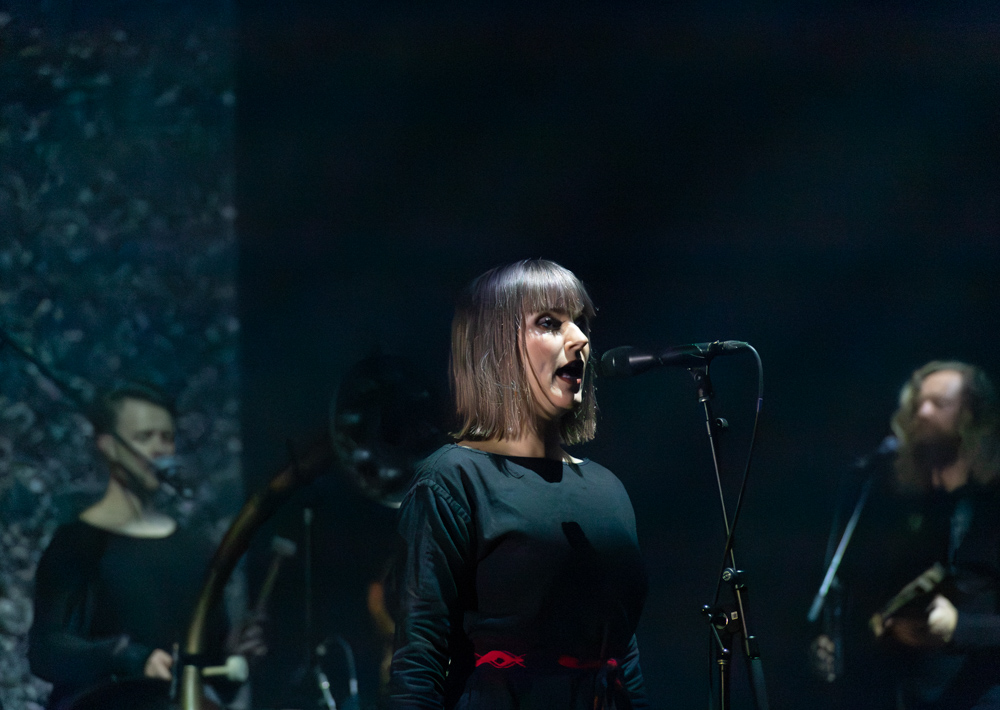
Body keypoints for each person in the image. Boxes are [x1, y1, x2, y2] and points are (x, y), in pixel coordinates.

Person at [388, 259, 650, 710]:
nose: (581, 338)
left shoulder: (607, 489)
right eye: (549, 322)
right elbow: (420, 660)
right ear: (497, 345)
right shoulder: (453, 479)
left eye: (580, 321)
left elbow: (624, 658)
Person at [28, 382, 261, 710]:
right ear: (108, 445)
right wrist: (128, 657)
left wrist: (233, 658)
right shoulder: (77, 544)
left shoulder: (195, 550)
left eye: (166, 438)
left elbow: (212, 682)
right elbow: (46, 651)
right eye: (144, 437)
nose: (159, 449)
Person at [818, 361, 1000, 710]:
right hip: (908, 695)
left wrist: (960, 627)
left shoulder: (991, 506)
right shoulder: (907, 506)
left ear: (973, 418)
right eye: (917, 404)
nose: (923, 412)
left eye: (939, 403)